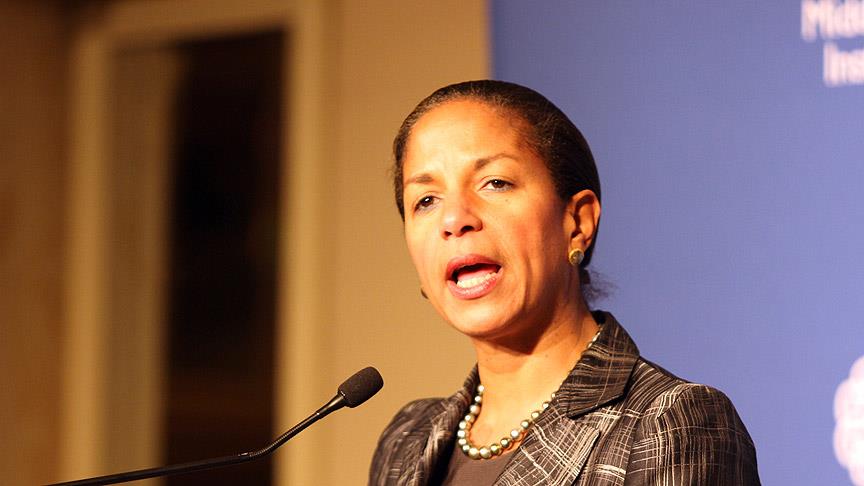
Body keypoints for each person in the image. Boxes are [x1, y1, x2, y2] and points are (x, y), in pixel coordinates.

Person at [368, 80, 759, 486]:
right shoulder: (406, 441)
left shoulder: (669, 423)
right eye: (426, 200)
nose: (454, 220)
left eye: (495, 182)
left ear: (578, 222)